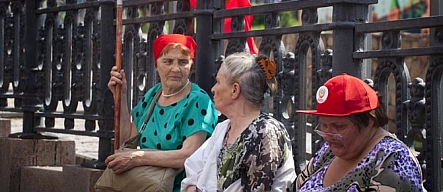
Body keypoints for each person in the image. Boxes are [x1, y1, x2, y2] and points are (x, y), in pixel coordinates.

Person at [105, 34, 219, 192]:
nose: (176, 68)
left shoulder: (198, 101)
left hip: (179, 187)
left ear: (191, 66)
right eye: (168, 61)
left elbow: (189, 154)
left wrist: (139, 158)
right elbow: (126, 141)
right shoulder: (154, 95)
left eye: (183, 62)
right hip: (145, 183)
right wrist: (121, 97)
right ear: (156, 65)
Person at [288, 73, 426, 192]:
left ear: (369, 120)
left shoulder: (393, 161)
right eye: (324, 125)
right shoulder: (330, 151)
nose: (329, 135)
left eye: (339, 126)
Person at [181, 52, 296, 192]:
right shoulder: (223, 129)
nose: (213, 89)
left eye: (218, 82)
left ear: (234, 90)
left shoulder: (266, 133)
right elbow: (193, 171)